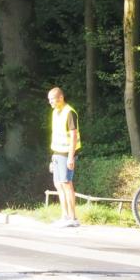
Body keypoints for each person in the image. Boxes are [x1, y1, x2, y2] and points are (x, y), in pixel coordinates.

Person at [47, 87, 81, 228]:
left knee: (67, 184)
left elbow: (73, 136)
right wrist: (53, 156)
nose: (50, 102)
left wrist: (71, 158)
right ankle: (65, 216)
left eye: (52, 100)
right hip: (57, 152)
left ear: (61, 98)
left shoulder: (69, 112)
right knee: (58, 184)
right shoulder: (55, 112)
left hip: (67, 153)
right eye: (49, 100)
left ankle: (73, 218)